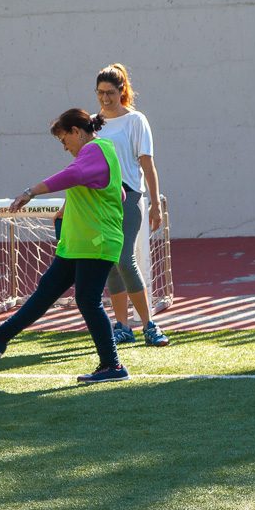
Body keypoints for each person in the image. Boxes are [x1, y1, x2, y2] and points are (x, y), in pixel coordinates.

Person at [0, 109, 129, 384]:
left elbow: (73, 174)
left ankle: (112, 365)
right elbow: (117, 192)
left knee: (87, 300)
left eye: (65, 140)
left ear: (77, 131)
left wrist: (31, 192)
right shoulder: (102, 152)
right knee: (46, 291)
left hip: (94, 242)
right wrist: (74, 205)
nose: (65, 148)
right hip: (80, 242)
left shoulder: (95, 149)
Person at [92, 63, 169, 347]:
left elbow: (147, 165)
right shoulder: (92, 123)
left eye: (110, 92)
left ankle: (149, 324)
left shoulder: (136, 121)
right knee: (111, 262)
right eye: (100, 93)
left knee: (125, 259)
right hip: (101, 202)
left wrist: (154, 203)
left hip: (129, 197)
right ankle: (122, 326)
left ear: (122, 90)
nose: (105, 98)